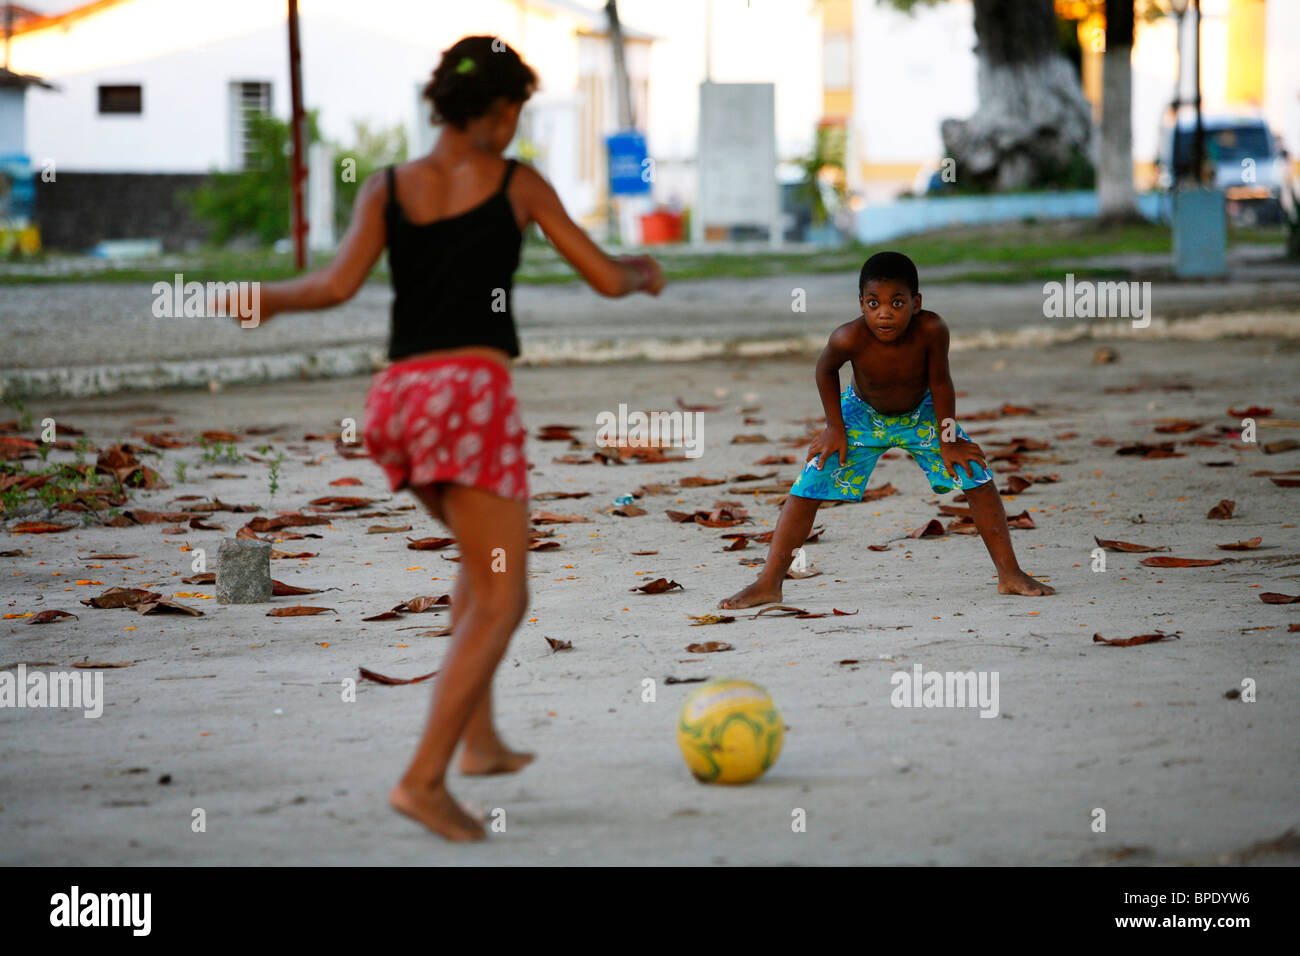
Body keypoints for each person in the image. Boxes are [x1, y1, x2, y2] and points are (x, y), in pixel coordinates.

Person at [228, 35, 663, 840]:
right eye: (516, 113)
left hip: (398, 402)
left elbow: (332, 286)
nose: (515, 127)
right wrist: (641, 271)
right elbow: (603, 277)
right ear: (499, 111)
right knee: (505, 594)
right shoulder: (516, 182)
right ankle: (423, 780)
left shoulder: (389, 187)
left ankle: (481, 741)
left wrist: (259, 298)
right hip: (469, 398)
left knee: (477, 561)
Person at [719, 251, 1052, 610]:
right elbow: (824, 371)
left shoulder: (932, 330)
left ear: (916, 303)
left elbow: (941, 382)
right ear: (861, 304)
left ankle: (1009, 574)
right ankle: (769, 582)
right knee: (810, 481)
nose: (885, 313)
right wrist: (834, 427)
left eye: (897, 302)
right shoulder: (848, 338)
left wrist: (949, 440)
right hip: (862, 415)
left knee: (975, 473)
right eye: (874, 303)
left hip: (922, 412)